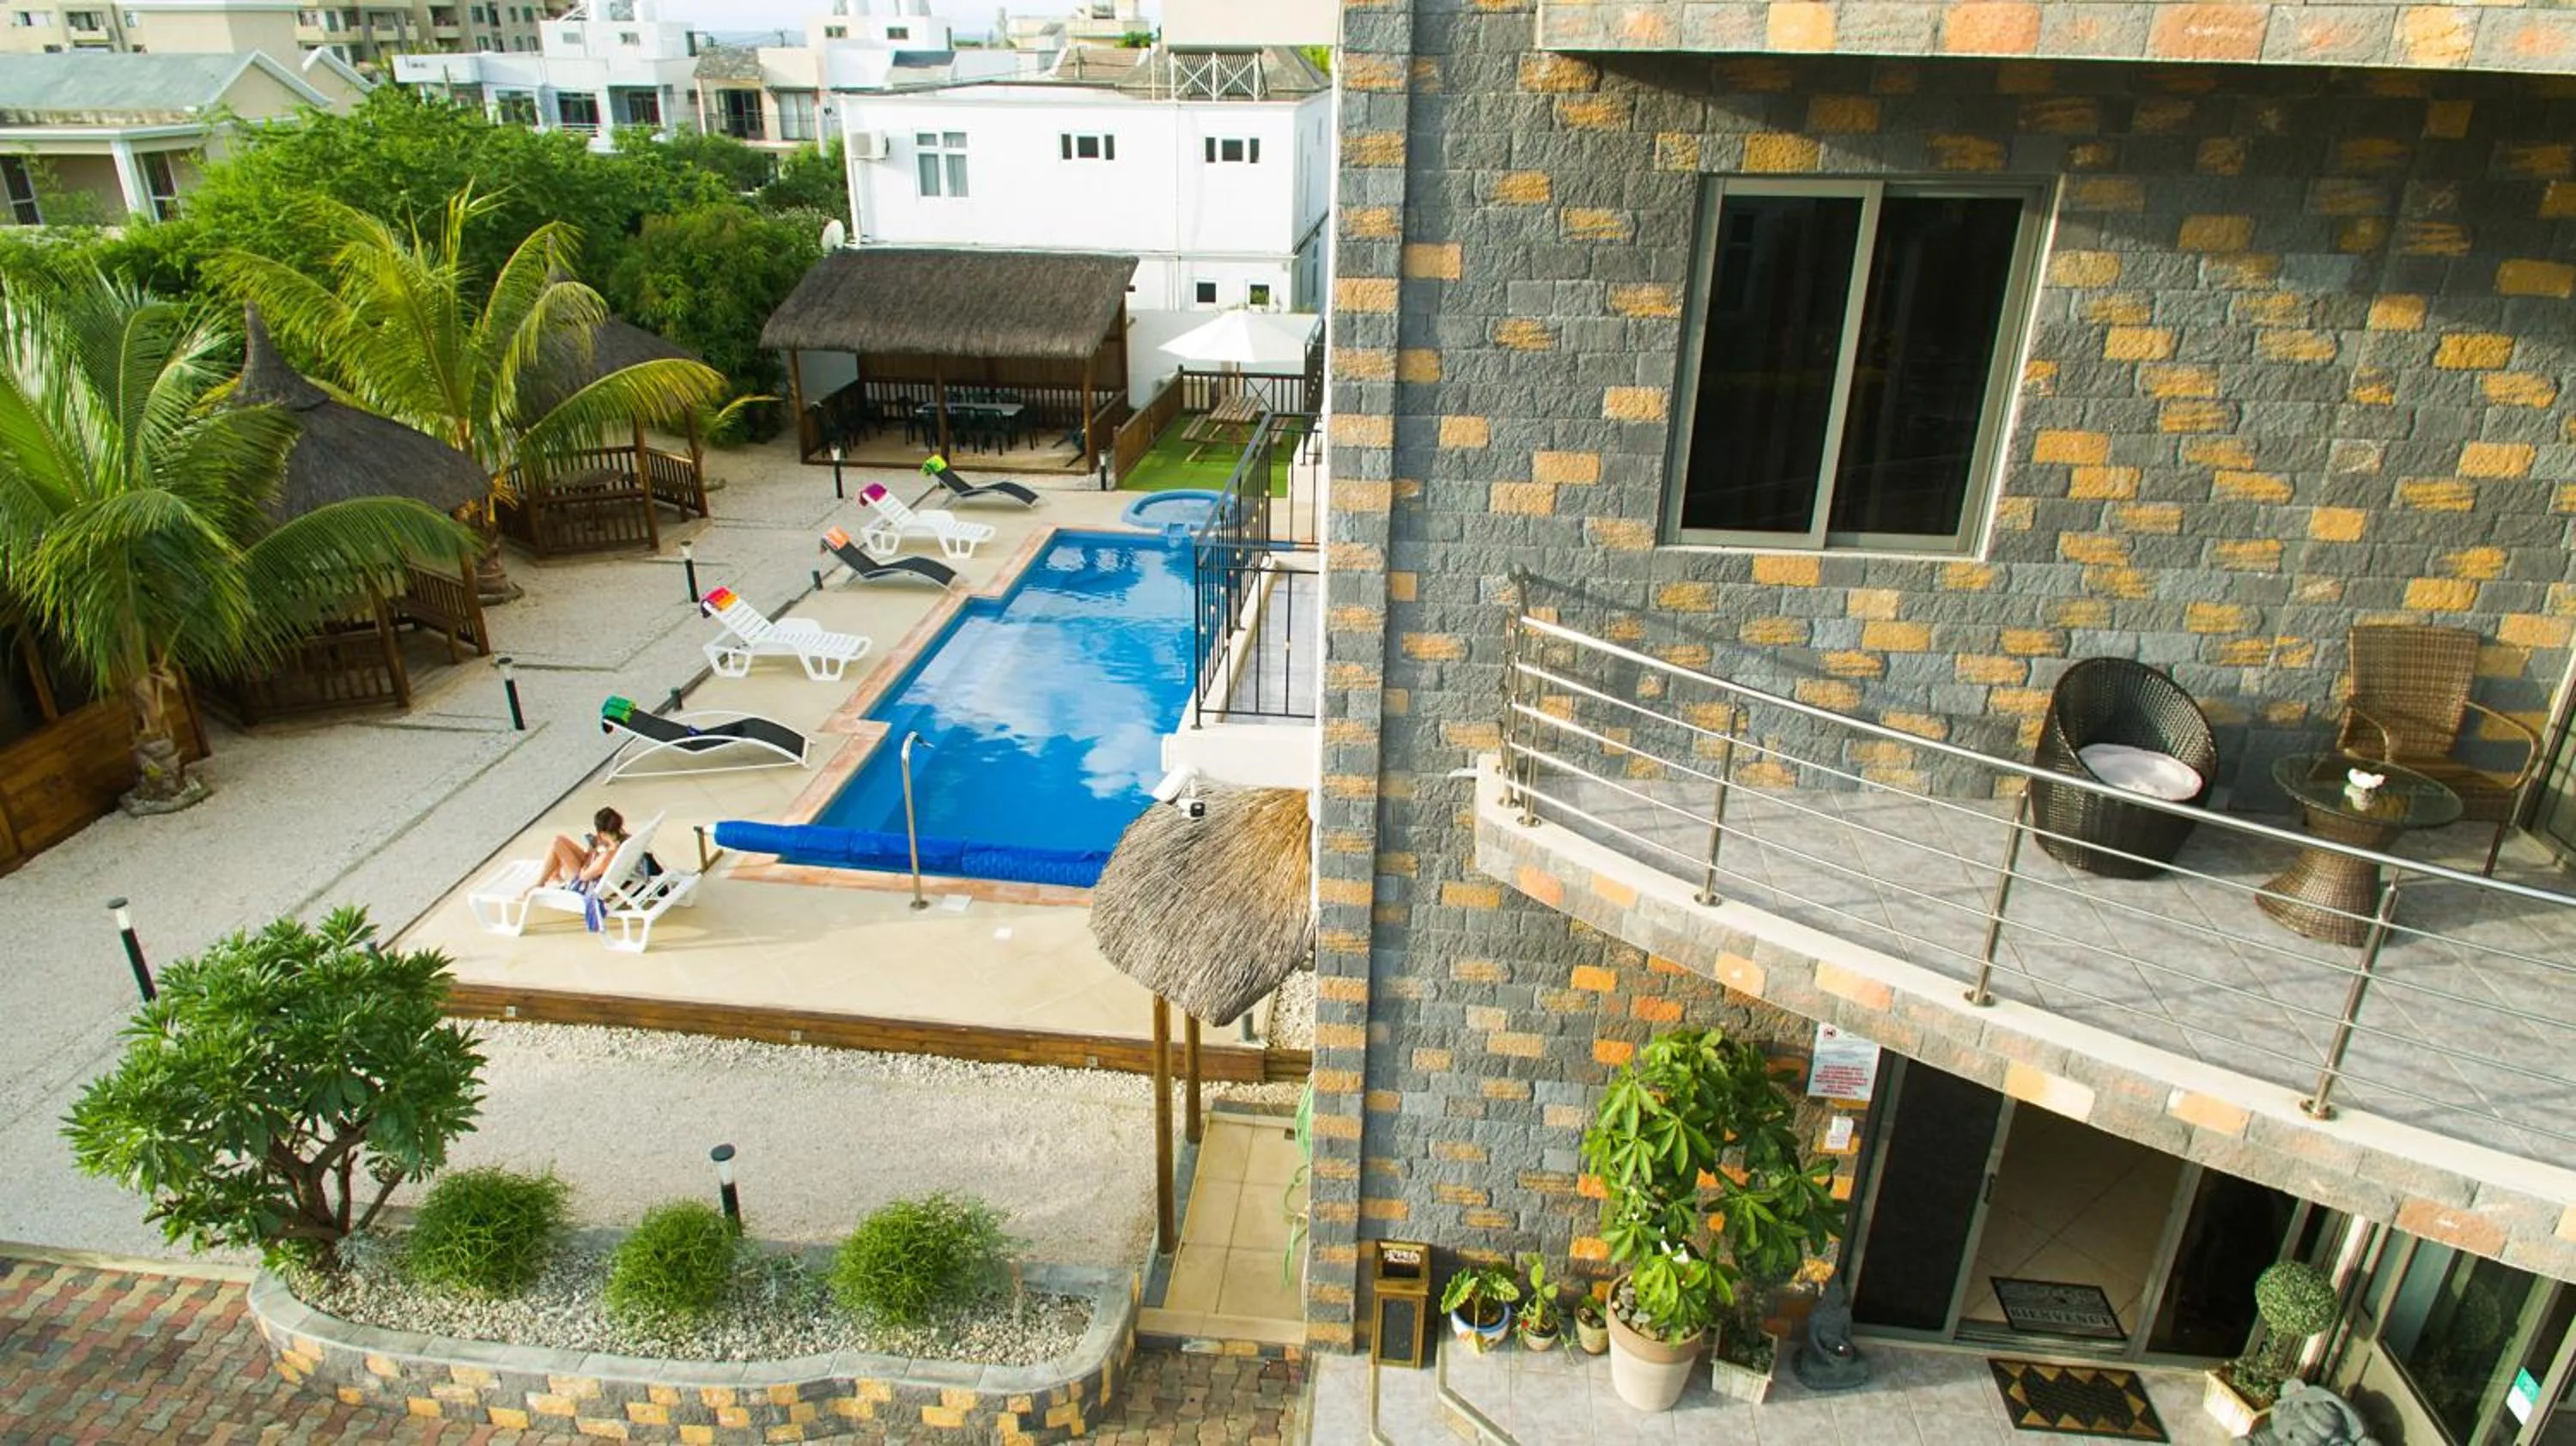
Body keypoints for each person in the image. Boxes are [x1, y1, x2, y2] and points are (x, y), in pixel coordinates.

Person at [535, 807, 628, 892]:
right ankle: (554, 876)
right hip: (608, 878)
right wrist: (597, 850)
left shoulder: (605, 857)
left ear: (602, 834)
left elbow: (583, 876)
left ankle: (541, 883)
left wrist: (593, 852)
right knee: (559, 840)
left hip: (583, 886)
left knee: (557, 844)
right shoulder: (627, 841)